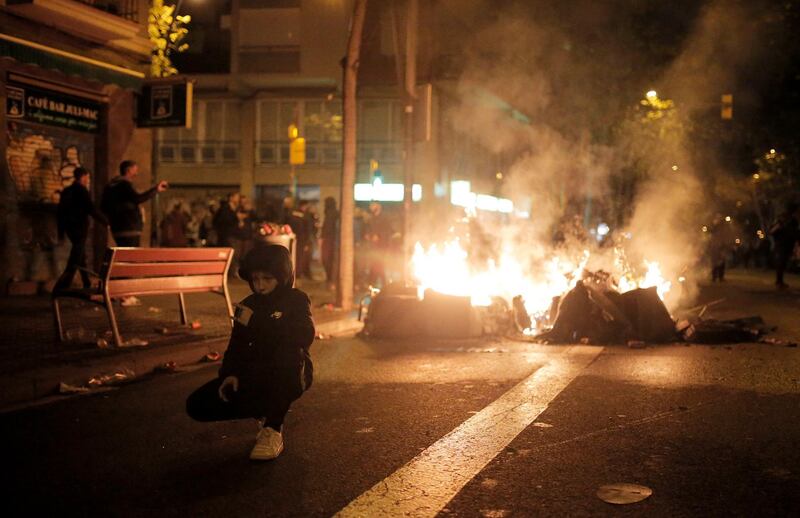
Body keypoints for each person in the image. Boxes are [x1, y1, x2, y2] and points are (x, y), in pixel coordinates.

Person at [186, 244, 315, 460]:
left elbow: (304, 335)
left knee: (286, 354)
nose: (260, 286)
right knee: (198, 403)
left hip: (292, 370)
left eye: (267, 279)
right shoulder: (247, 306)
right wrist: (231, 373)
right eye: (255, 279)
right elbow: (237, 344)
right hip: (256, 371)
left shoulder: (296, 300)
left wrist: (264, 322)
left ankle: (273, 428)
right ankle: (265, 410)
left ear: (282, 277)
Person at [54, 167, 107, 292]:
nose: (88, 180)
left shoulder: (67, 191)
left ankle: (86, 281)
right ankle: (65, 282)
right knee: (76, 254)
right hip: (80, 226)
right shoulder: (82, 191)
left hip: (69, 227)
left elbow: (60, 212)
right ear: (83, 177)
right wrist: (106, 222)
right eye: (87, 177)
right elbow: (91, 208)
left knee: (80, 254)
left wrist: (61, 231)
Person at [101, 160, 168, 247]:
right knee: (131, 256)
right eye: (135, 169)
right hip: (129, 227)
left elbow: (103, 206)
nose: (137, 172)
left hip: (117, 228)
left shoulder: (110, 186)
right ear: (128, 170)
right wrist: (156, 190)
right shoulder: (124, 185)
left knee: (124, 254)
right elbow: (138, 199)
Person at [769, 202, 800, 289]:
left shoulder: (791, 219)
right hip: (782, 243)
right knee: (781, 262)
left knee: (783, 262)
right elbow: (773, 230)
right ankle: (779, 281)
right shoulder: (784, 219)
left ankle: (780, 281)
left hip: (785, 243)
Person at [320, 196, 339, 287]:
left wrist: (322, 237)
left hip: (329, 240)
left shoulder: (330, 213)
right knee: (330, 260)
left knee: (327, 260)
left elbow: (327, 227)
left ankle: (330, 279)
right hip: (332, 239)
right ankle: (330, 279)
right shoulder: (334, 213)